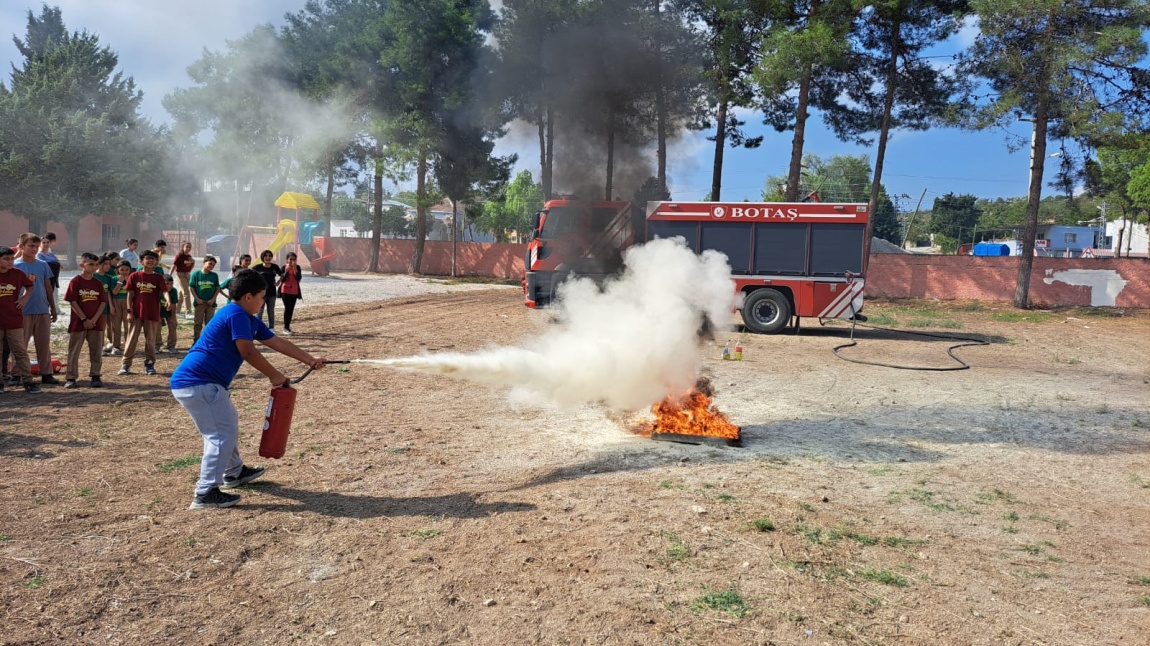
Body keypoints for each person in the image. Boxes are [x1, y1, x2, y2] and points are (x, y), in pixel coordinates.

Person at [171, 268, 327, 509]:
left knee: (227, 424)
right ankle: (206, 492)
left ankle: (234, 472)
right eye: (262, 297)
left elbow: (275, 341)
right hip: (198, 383)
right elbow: (247, 350)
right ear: (248, 297)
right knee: (220, 434)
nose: (263, 301)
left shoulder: (246, 318)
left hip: (203, 384)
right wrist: (274, 375)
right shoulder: (236, 315)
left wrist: (309, 359)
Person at [14, 233, 59, 385]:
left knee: (43, 344)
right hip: (22, 311)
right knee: (20, 345)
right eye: (30, 246)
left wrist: (52, 308)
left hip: (42, 309)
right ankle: (16, 373)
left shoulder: (43, 264)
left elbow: (48, 287)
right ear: (21, 246)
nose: (34, 249)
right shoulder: (14, 265)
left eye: (36, 246)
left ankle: (46, 373)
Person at [63, 253, 109, 388]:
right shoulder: (76, 282)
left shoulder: (98, 283)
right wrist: (84, 318)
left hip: (96, 323)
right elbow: (72, 301)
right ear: (82, 265)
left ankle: (95, 375)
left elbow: (102, 302)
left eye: (96, 265)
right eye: (90, 264)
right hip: (79, 322)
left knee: (96, 350)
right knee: (74, 350)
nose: (94, 267)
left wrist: (94, 319)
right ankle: (71, 377)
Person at [0, 245, 39, 393]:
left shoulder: (17, 274)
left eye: (11, 259)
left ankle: (28, 381)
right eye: (6, 259)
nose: (10, 262)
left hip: (13, 320)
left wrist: (24, 299)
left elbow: (30, 286)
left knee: (20, 351)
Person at [119, 250, 165, 376]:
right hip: (136, 313)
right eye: (148, 258)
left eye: (153, 259)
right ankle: (126, 364)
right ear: (141, 261)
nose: (151, 261)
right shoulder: (134, 276)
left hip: (152, 313)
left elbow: (164, 291)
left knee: (150, 340)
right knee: (132, 339)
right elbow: (130, 295)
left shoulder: (158, 277)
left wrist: (169, 300)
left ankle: (149, 364)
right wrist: (129, 311)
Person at [189, 255, 222, 343]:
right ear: (204, 263)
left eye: (213, 265)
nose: (211, 266)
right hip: (200, 303)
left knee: (210, 323)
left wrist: (213, 299)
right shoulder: (196, 274)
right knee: (198, 323)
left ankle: (208, 340)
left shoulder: (214, 275)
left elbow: (217, 288)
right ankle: (196, 340)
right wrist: (197, 299)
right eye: (210, 264)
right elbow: (192, 288)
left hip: (210, 303)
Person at [251, 250, 283, 330]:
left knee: (271, 311)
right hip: (260, 293)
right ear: (262, 257)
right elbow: (250, 275)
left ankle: (271, 328)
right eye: (266, 256)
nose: (268, 257)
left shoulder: (274, 267)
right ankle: (257, 328)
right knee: (259, 311)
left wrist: (278, 282)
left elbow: (281, 274)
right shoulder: (257, 267)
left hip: (271, 293)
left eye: (269, 256)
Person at [107, 261, 132, 355]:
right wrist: (120, 281)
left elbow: (132, 292)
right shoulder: (113, 278)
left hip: (128, 303)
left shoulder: (131, 278)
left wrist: (128, 281)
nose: (124, 272)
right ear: (117, 270)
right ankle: (116, 346)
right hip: (116, 302)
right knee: (116, 326)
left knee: (128, 326)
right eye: (122, 270)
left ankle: (128, 345)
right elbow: (114, 292)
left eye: (127, 270)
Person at [95, 254, 118, 355]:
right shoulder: (94, 276)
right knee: (99, 328)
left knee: (107, 326)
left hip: (106, 306)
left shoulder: (109, 278)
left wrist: (112, 306)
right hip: (95, 306)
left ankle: (109, 345)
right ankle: (98, 347)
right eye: (105, 264)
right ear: (99, 265)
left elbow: (109, 292)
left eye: (109, 264)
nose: (108, 266)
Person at [278, 252, 303, 335]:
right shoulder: (283, 267)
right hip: (285, 290)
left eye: (294, 259)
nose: (292, 261)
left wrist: (295, 269)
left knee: (291, 309)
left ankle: (287, 326)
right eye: (290, 259)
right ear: (287, 260)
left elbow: (298, 278)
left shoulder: (298, 267)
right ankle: (285, 327)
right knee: (287, 308)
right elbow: (282, 279)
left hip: (294, 291)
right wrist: (286, 271)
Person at [173, 241, 196, 317]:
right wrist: (169, 275)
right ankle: (188, 312)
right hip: (180, 274)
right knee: (186, 292)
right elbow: (174, 266)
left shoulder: (189, 256)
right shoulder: (179, 256)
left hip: (187, 274)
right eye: (187, 246)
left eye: (190, 247)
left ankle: (177, 311)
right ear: (183, 247)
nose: (188, 248)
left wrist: (193, 263)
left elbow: (191, 266)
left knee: (181, 293)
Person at [37, 232, 62, 300]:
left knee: (53, 295)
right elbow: (42, 265)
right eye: (44, 243)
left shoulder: (51, 254)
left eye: (48, 242)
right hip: (45, 279)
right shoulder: (39, 255)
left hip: (54, 278)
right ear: (40, 244)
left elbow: (59, 263)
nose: (46, 244)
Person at [159, 274, 180, 353]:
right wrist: (158, 317)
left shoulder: (173, 291)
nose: (169, 286)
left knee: (172, 327)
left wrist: (174, 318)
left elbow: (174, 305)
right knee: (157, 327)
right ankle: (157, 345)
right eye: (167, 284)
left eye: (171, 284)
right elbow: (156, 305)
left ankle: (171, 346)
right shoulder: (159, 291)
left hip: (170, 312)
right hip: (159, 311)